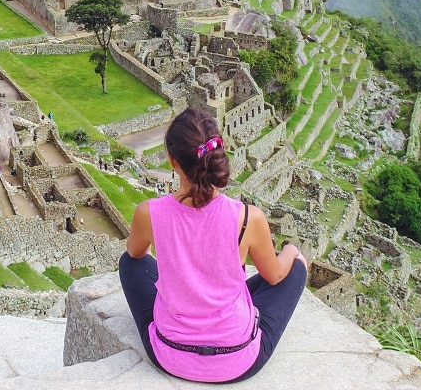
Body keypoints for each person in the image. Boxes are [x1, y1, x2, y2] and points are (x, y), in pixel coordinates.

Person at [119, 108, 307, 383]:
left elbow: (136, 254)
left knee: (131, 264)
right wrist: (292, 251)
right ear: (220, 152)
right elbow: (275, 275)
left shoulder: (149, 213)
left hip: (171, 355)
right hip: (237, 360)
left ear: (172, 161)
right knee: (294, 270)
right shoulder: (247, 217)